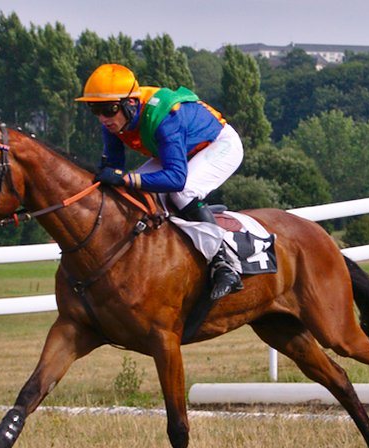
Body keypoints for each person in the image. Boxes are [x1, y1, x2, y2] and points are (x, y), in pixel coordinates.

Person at [75, 63, 244, 301]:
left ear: (130, 103)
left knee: (183, 193)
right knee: (132, 193)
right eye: (95, 110)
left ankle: (223, 264)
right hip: (180, 151)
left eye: (109, 110)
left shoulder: (164, 116)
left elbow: (176, 179)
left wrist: (126, 178)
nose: (103, 118)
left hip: (219, 145)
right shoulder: (113, 123)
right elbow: (113, 169)